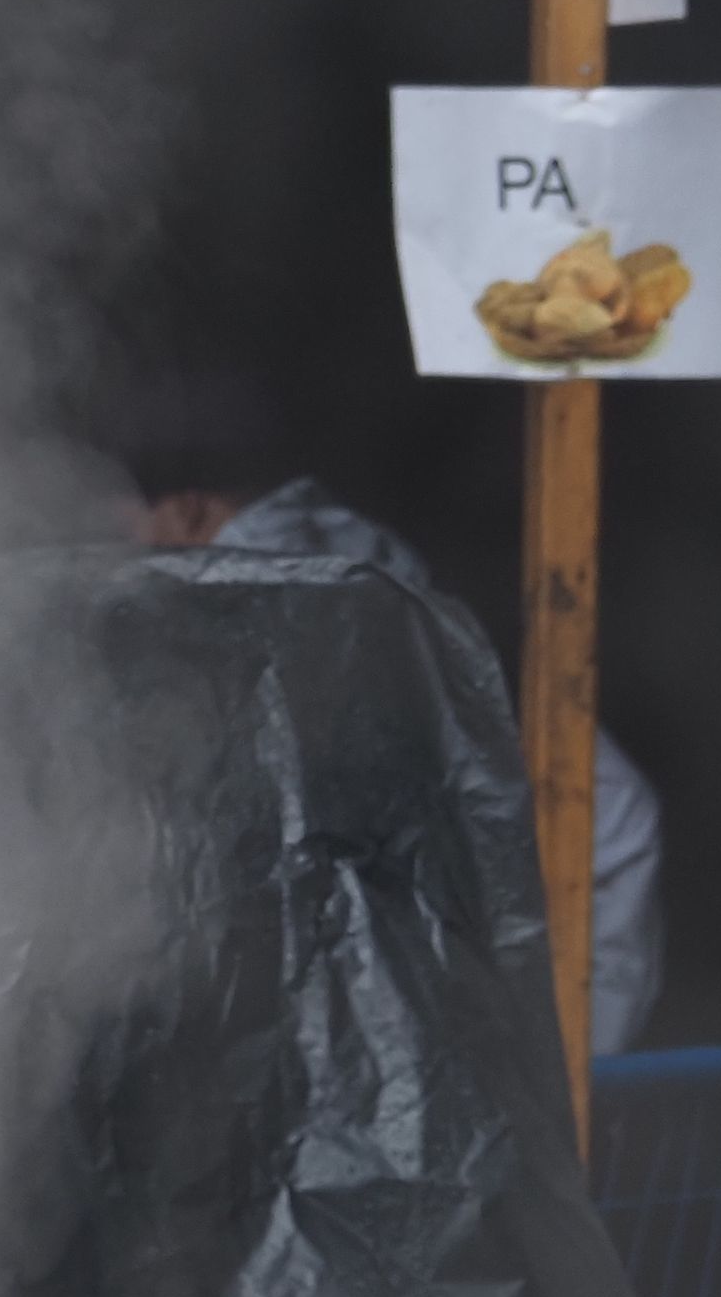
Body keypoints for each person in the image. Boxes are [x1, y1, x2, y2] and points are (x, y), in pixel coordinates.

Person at [112, 387, 665, 1058]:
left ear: (188, 506)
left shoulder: (246, 577)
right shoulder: (343, 554)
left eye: (129, 524)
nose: (123, 546)